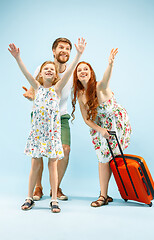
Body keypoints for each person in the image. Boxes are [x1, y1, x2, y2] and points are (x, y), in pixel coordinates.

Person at [8, 38, 86, 212]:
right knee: (35, 163)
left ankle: (54, 198)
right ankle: (30, 196)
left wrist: (79, 54)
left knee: (53, 164)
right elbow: (26, 73)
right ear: (41, 74)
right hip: (37, 133)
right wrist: (17, 58)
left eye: (52, 69)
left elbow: (70, 70)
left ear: (56, 76)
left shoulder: (57, 88)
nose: (49, 70)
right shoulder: (37, 85)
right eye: (46, 69)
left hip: (52, 132)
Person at [71, 48, 132, 207]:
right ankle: (104, 194)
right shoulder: (80, 94)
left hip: (115, 121)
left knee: (104, 159)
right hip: (100, 125)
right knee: (104, 158)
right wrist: (101, 130)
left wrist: (110, 64)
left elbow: (106, 79)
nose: (83, 71)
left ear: (91, 73)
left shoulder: (99, 86)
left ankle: (103, 196)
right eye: (80, 70)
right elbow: (86, 119)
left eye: (86, 69)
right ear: (76, 76)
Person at [23, 38, 74, 201]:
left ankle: (55, 187)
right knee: (38, 153)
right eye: (61, 47)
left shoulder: (71, 72)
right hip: (41, 117)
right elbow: (33, 90)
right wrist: (30, 95)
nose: (64, 50)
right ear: (54, 50)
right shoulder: (43, 68)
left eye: (67, 48)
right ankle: (38, 187)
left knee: (64, 150)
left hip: (61, 115)